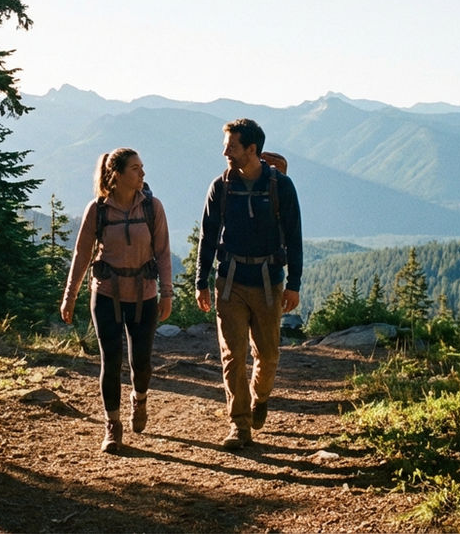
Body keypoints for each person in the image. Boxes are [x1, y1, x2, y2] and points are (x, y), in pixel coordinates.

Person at [195, 118, 302, 450]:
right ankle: (239, 425)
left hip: (270, 281)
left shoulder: (281, 186)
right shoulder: (220, 187)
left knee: (268, 355)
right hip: (230, 282)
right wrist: (201, 281)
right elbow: (207, 236)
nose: (225, 151)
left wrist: (294, 283)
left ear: (251, 150)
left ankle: (261, 396)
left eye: (232, 145)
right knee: (232, 355)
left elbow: (296, 237)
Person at [61, 147, 173, 454]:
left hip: (144, 295)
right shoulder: (97, 210)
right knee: (110, 360)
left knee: (141, 361)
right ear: (117, 174)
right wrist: (69, 297)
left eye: (142, 167)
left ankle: (139, 399)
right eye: (135, 169)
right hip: (106, 293)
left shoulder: (152, 207)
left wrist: (167, 293)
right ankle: (112, 425)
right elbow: (82, 253)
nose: (142, 173)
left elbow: (162, 252)